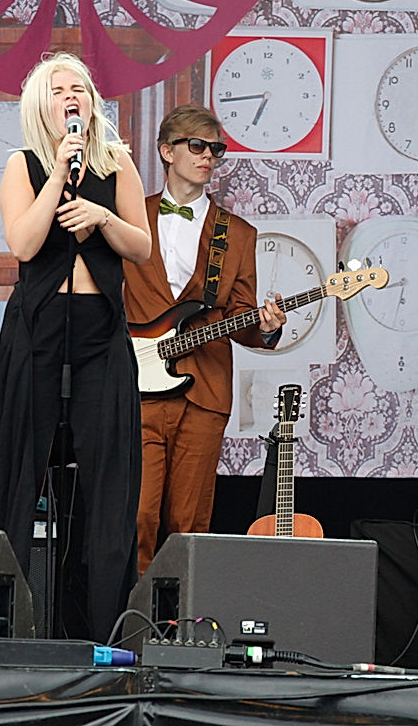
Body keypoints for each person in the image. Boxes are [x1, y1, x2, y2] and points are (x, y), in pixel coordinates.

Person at [0, 52, 151, 641]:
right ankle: (3, 629)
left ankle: (107, 635)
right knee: (17, 474)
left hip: (101, 328)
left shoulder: (117, 163)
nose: (70, 96)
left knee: (109, 483)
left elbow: (141, 247)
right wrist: (57, 176)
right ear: (41, 104)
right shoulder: (23, 165)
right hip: (38, 327)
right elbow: (25, 245)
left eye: (78, 87)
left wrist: (102, 217)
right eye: (58, 90)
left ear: (92, 101)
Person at [123, 104, 286, 574]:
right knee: (137, 515)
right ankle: (132, 624)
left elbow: (241, 314)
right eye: (197, 146)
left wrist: (268, 326)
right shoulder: (130, 218)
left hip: (205, 392)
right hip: (138, 390)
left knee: (188, 523)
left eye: (216, 149)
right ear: (166, 151)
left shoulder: (237, 234)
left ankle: (178, 628)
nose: (208, 157)